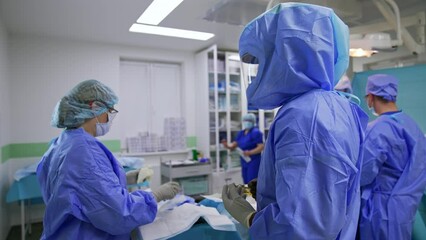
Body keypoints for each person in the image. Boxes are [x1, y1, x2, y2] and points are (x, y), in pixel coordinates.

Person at [222, 3, 368, 239]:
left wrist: (249, 217)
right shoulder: (330, 105)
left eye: (261, 60)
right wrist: (275, 184)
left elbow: (303, 228)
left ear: (288, 55)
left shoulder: (306, 115)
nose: (258, 73)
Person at [37, 79, 181, 239]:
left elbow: (75, 189)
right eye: (110, 110)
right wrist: (155, 196)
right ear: (95, 107)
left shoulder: (62, 143)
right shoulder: (84, 150)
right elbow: (119, 213)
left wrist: (123, 178)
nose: (111, 117)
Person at [359, 74, 426, 239]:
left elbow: (363, 173)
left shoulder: (378, 129)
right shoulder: (411, 125)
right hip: (405, 208)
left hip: (380, 210)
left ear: (371, 97)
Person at [221, 113, 264, 184]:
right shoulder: (241, 133)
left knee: (252, 181)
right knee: (245, 180)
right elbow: (233, 145)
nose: (247, 122)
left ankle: (254, 195)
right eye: (245, 121)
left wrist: (250, 152)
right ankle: (248, 195)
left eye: (249, 121)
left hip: (253, 161)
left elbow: (261, 147)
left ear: (253, 122)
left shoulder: (256, 132)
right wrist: (226, 145)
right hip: (244, 160)